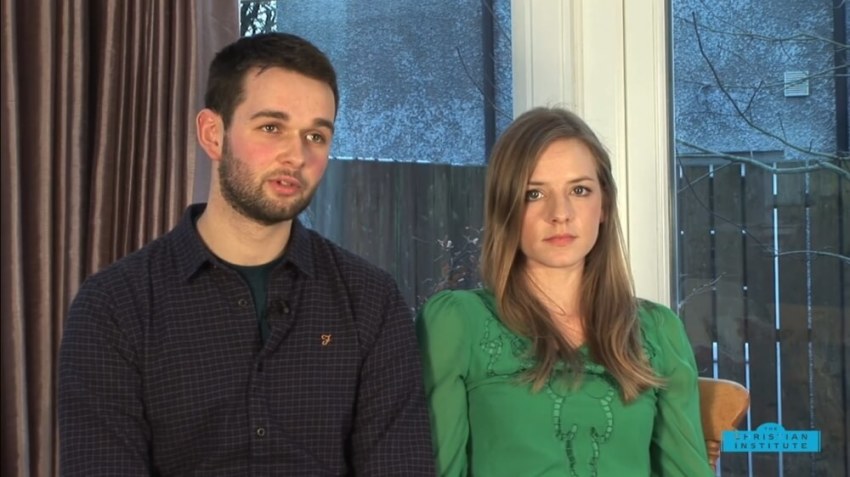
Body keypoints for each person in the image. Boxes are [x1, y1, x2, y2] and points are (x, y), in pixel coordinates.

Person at [59, 32, 434, 475]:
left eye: (316, 135)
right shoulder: (114, 306)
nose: (296, 155)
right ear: (213, 134)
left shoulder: (370, 301)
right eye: (271, 127)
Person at [416, 107, 714, 476]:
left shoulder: (657, 330)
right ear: (505, 207)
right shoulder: (457, 322)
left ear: (603, 204)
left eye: (579, 190)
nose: (561, 213)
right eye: (534, 193)